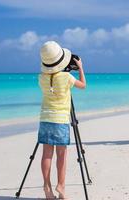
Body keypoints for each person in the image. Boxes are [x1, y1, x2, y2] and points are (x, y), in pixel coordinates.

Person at [38, 41, 86, 199]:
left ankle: (47, 187)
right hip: (60, 119)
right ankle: (61, 186)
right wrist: (79, 67)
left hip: (45, 118)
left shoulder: (41, 77)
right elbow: (83, 85)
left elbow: (52, 81)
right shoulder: (67, 77)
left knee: (46, 154)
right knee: (61, 154)